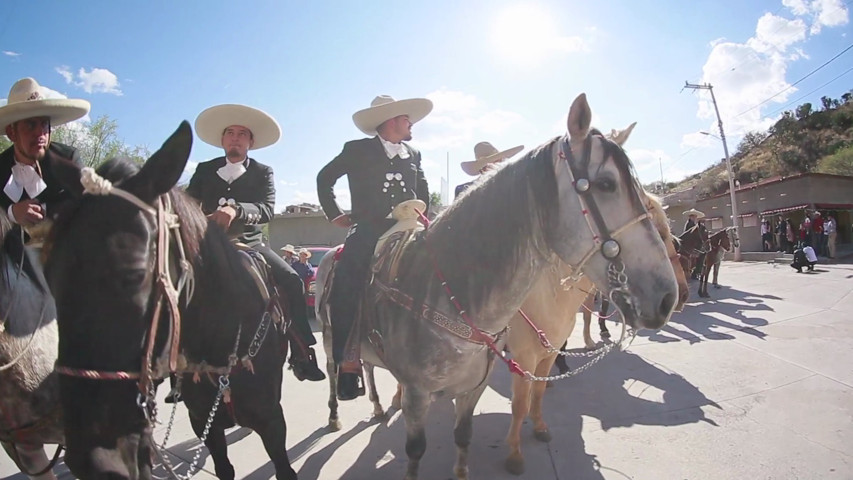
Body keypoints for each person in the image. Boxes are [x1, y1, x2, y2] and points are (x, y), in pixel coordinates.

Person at [187, 103, 324, 382]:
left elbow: (266, 209)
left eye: (242, 133)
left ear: (250, 141)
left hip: (249, 242)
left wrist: (235, 210)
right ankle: (171, 356)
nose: (235, 137)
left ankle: (301, 350)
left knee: (290, 279)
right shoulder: (204, 169)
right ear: (223, 140)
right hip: (207, 244)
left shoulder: (263, 171)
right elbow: (189, 203)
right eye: (230, 133)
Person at [317, 94, 432, 400]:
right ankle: (349, 361)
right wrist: (335, 213)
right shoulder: (356, 149)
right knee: (347, 277)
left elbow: (423, 190)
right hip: (369, 227)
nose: (411, 124)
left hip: (411, 224)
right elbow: (325, 178)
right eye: (407, 119)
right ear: (392, 121)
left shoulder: (414, 153)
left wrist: (426, 216)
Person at [1, 77, 89, 235]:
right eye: (30, 124)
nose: (40, 133)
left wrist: (45, 210)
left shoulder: (67, 158)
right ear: (11, 132)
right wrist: (12, 213)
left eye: (44, 124)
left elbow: (83, 200)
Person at [454, 141, 523, 199]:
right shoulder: (462, 190)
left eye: (498, 161)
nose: (493, 166)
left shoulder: (514, 184)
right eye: (485, 165)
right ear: (481, 169)